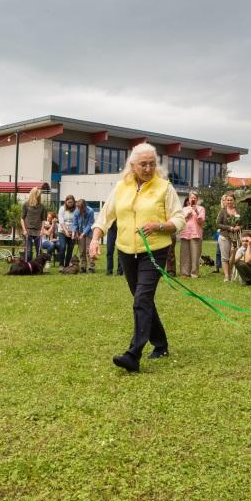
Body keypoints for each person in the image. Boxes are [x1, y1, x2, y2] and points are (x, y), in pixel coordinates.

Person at [89, 143, 186, 373]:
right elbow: (106, 216)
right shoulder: (121, 187)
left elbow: (179, 219)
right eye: (143, 164)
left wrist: (161, 226)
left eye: (152, 163)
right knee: (143, 300)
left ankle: (133, 354)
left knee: (141, 299)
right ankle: (160, 344)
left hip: (154, 251)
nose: (148, 167)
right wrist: (95, 238)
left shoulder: (164, 188)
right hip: (126, 251)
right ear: (132, 165)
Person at [179, 191, 206, 278]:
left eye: (195, 198)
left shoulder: (201, 208)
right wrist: (187, 216)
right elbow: (181, 221)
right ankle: (184, 273)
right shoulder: (184, 209)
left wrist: (196, 211)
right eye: (191, 197)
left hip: (195, 233)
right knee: (184, 254)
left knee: (195, 254)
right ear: (189, 198)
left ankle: (194, 273)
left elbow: (201, 221)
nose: (193, 199)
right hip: (185, 233)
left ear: (197, 199)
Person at [216, 192, 242, 282]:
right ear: (225, 201)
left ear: (234, 201)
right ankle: (227, 276)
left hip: (235, 237)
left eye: (231, 200)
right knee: (224, 257)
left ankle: (230, 273)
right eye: (228, 200)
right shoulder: (222, 211)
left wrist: (239, 227)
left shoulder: (238, 211)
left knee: (233, 256)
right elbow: (218, 224)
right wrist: (229, 228)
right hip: (224, 237)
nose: (229, 201)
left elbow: (243, 224)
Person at [21, 187, 45, 261]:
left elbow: (43, 220)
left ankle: (38, 267)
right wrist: (24, 230)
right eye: (37, 195)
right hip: (28, 230)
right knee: (28, 252)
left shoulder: (42, 207)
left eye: (39, 195)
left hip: (38, 231)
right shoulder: (26, 205)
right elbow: (22, 218)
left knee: (39, 251)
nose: (39, 197)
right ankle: (28, 266)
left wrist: (42, 230)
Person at [73, 198, 96, 273]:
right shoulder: (76, 212)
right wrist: (75, 232)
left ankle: (91, 267)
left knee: (89, 250)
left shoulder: (90, 211)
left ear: (84, 207)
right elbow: (75, 223)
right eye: (78, 208)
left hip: (89, 232)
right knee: (81, 250)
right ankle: (83, 266)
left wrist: (84, 233)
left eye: (80, 208)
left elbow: (90, 224)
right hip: (80, 232)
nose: (78, 210)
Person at [57, 194, 76, 267]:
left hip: (72, 232)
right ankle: (61, 265)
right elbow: (61, 221)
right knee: (62, 247)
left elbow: (76, 222)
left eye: (71, 202)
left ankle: (67, 265)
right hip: (62, 231)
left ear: (74, 202)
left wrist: (73, 231)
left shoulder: (76, 210)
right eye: (69, 202)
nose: (70, 204)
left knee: (70, 248)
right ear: (66, 202)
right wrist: (66, 231)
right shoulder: (62, 209)